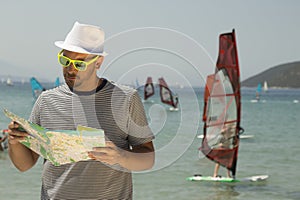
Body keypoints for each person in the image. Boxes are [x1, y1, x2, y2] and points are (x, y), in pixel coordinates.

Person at [7, 21, 155, 199]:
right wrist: (15, 142)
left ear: (98, 62)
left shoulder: (126, 98)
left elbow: (148, 159)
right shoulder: (46, 101)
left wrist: (120, 156)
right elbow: (25, 165)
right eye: (65, 60)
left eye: (80, 64)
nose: (70, 69)